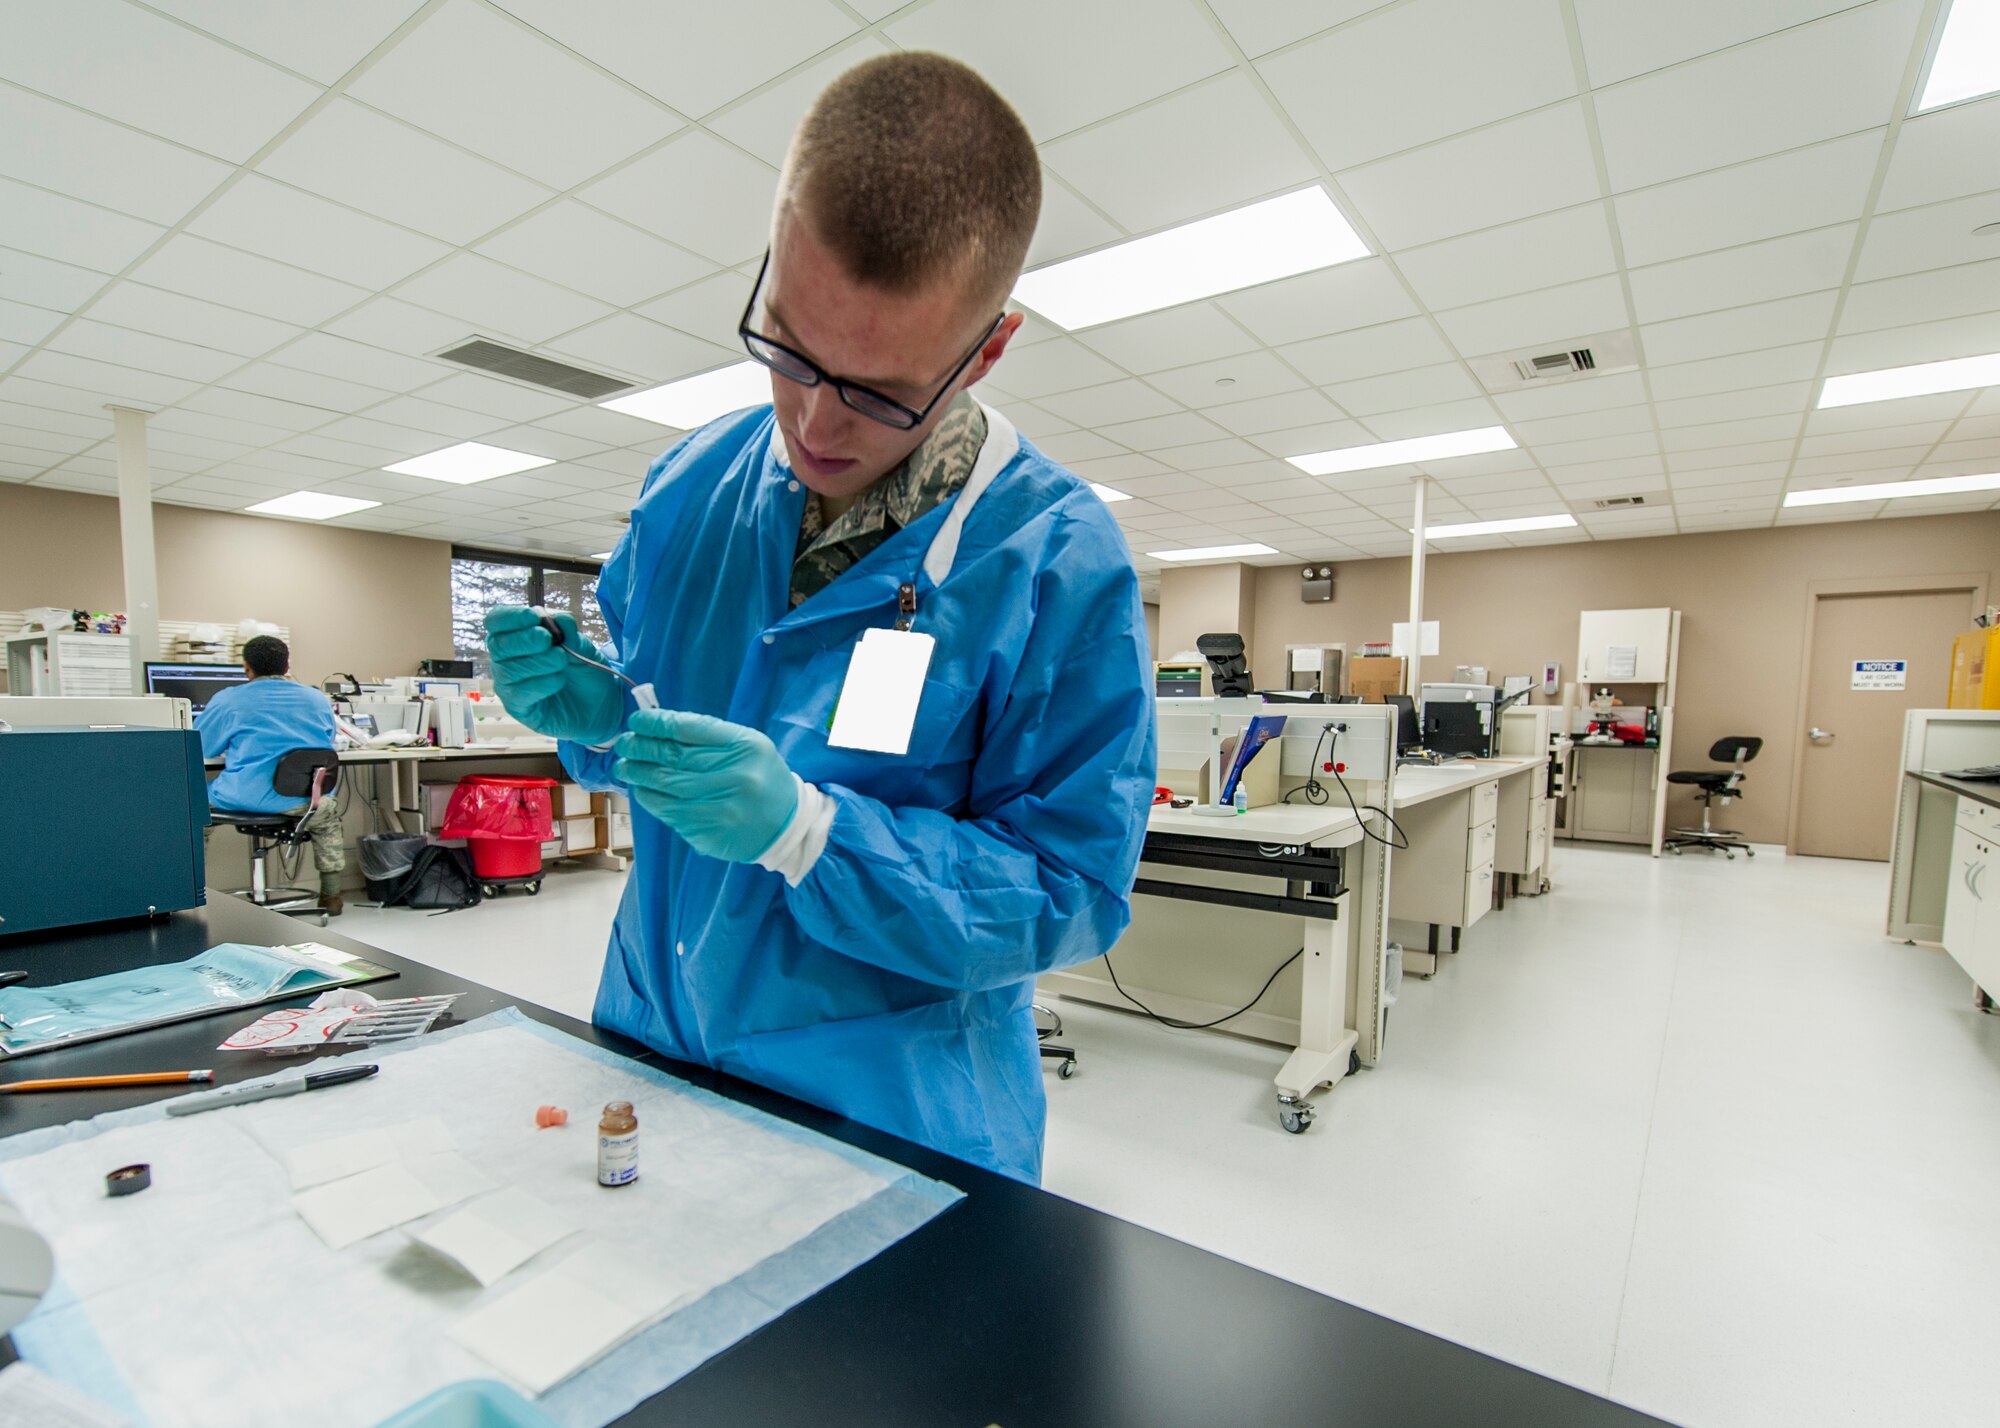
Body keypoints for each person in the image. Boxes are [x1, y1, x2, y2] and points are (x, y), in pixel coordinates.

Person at [484, 53, 1155, 1183]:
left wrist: (813, 834)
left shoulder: (1054, 565)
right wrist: (597, 719)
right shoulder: (690, 487)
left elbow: (1068, 892)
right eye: (787, 348)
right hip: (653, 1042)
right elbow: (650, 744)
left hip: (889, 1112)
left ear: (986, 348)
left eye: (880, 390)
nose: (813, 421)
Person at [198, 635, 346, 915]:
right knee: (326, 813)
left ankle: (192, 894)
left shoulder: (229, 700)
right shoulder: (317, 698)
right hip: (304, 798)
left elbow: (200, 745)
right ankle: (331, 895)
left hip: (245, 797)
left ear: (246, 667)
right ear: (287, 665)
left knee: (193, 809)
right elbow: (327, 742)